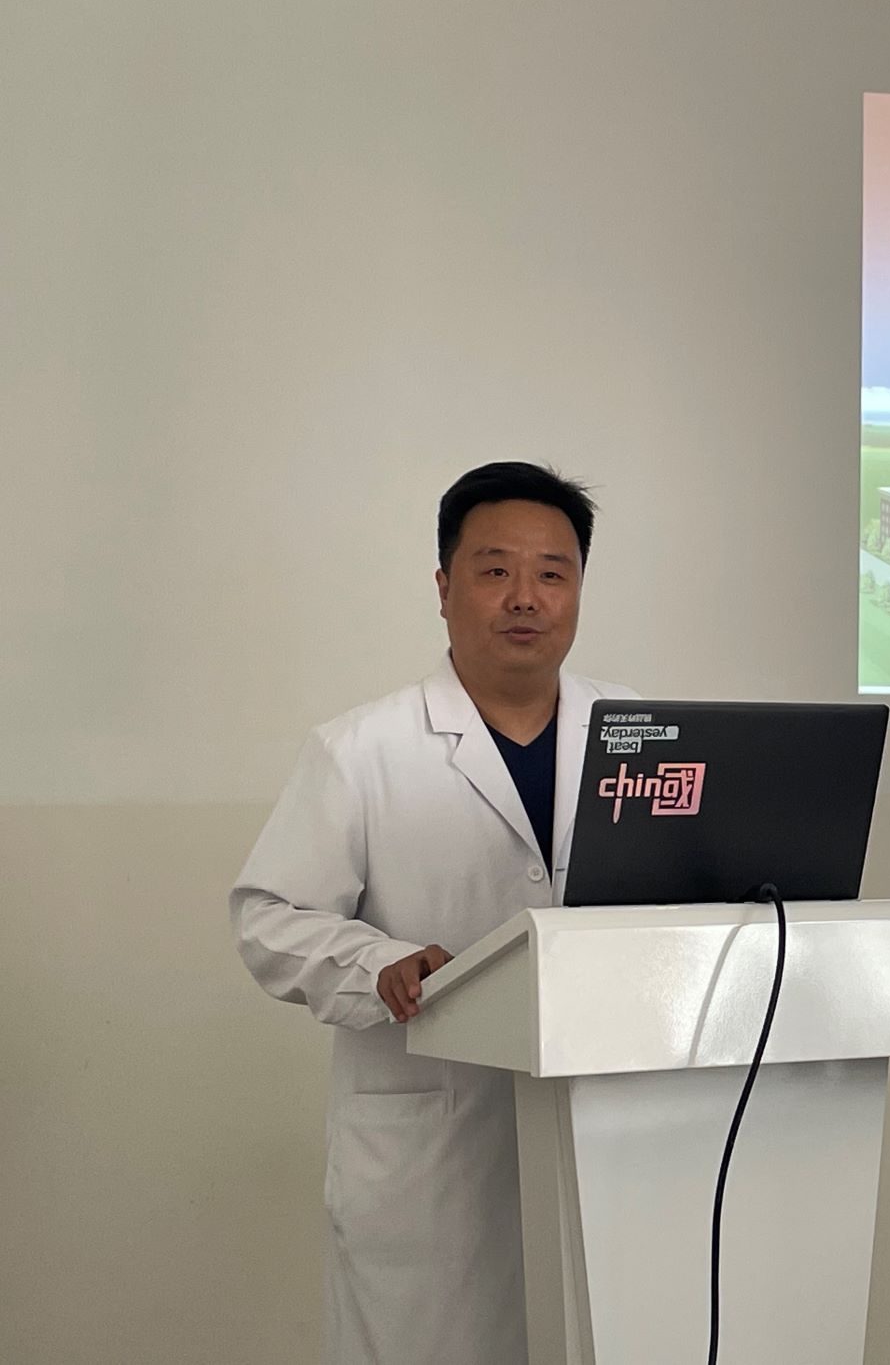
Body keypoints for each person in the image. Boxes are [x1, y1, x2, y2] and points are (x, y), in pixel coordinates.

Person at [230, 462, 636, 1365]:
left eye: (552, 573)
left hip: (609, 1128)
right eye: (495, 571)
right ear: (445, 588)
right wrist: (376, 962)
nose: (525, 597)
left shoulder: (642, 735)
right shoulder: (361, 750)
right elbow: (269, 916)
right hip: (434, 1146)